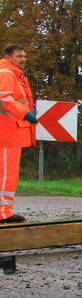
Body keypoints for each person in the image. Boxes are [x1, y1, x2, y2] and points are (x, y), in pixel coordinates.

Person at [0, 43, 37, 224]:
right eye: (18, 56)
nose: (23, 59)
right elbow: (4, 98)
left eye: (24, 56)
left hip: (10, 132)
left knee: (8, 174)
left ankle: (5, 211)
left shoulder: (15, 75)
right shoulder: (6, 73)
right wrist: (26, 114)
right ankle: (3, 213)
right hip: (7, 133)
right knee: (7, 174)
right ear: (8, 57)